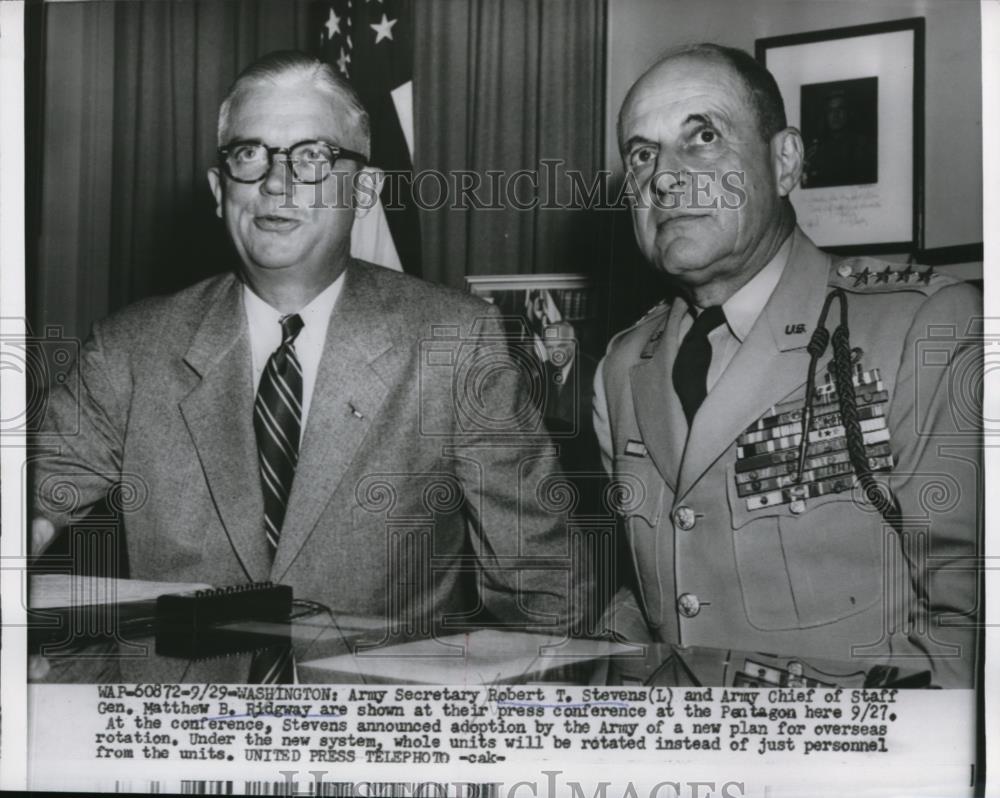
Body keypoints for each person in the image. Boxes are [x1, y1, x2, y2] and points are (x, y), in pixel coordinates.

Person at [31, 51, 574, 681]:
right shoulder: (130, 348)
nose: (276, 184)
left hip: (376, 745)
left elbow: (541, 588)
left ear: (365, 190)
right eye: (249, 154)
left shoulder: (455, 343)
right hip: (177, 743)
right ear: (219, 190)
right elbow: (31, 490)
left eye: (312, 156)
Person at [594, 43, 980, 687]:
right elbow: (655, 597)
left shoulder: (922, 326)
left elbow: (972, 622)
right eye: (642, 154)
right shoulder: (623, 365)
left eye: (704, 137)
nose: (664, 176)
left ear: (784, 161)